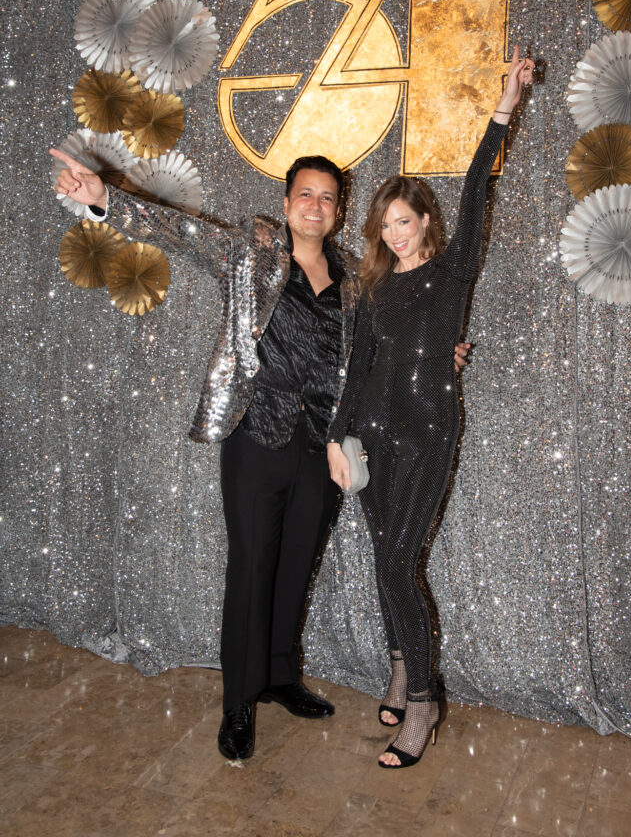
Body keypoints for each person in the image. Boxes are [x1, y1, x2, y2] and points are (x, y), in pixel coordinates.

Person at [49, 140, 474, 761]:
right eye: (305, 193)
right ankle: (240, 703)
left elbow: (394, 343)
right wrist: (102, 202)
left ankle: (278, 676)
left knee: (297, 564)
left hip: (321, 445)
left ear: (338, 210)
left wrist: (444, 355)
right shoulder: (252, 252)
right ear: (286, 202)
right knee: (252, 568)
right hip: (257, 434)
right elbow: (180, 230)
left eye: (328, 197)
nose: (315, 204)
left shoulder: (359, 278)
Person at [327, 45, 535, 769]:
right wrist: (334, 437)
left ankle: (423, 702)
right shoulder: (371, 288)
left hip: (427, 433)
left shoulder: (453, 274)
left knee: (396, 562)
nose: (391, 234)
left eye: (402, 222)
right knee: (387, 561)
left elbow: (479, 187)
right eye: (384, 224)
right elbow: (357, 372)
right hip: (372, 438)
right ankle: (398, 665)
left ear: (426, 222)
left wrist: (504, 105)